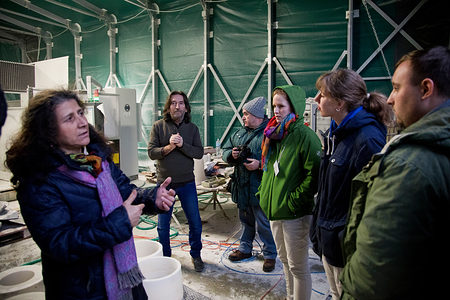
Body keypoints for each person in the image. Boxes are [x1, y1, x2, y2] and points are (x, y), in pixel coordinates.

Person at [5, 89, 176, 300]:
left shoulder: (98, 161)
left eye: (80, 113)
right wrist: (119, 223)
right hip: (84, 289)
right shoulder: (39, 181)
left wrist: (153, 198)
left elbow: (126, 192)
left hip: (124, 280)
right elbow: (60, 244)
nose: (82, 122)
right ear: (47, 131)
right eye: (69, 118)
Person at [340, 46, 450, 299]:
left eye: (397, 88)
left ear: (426, 89)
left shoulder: (408, 166)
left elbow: (373, 278)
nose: (389, 98)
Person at [309, 69, 392, 300]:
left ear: (339, 102)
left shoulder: (367, 139)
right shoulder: (337, 135)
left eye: (322, 95)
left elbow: (371, 204)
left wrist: (347, 241)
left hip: (345, 249)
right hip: (329, 242)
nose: (316, 100)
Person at [257, 85, 322, 300]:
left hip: (294, 213)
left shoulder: (305, 136)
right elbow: (268, 171)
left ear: (292, 106)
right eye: (274, 106)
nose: (276, 111)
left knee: (298, 266)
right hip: (275, 210)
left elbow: (313, 176)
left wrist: (294, 201)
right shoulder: (274, 134)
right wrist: (263, 194)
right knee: (284, 260)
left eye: (281, 106)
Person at [147, 90, 205, 272]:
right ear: (168, 106)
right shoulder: (158, 126)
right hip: (165, 184)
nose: (177, 106)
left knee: (195, 223)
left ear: (186, 108)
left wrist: (182, 145)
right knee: (163, 226)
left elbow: (199, 152)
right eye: (173, 103)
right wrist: (170, 146)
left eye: (180, 103)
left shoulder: (192, 128)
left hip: (187, 182)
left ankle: (196, 254)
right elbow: (151, 153)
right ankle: (166, 257)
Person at [222, 96, 277, 272]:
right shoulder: (239, 133)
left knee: (263, 223)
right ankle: (245, 249)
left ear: (257, 115)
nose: (243, 117)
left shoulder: (270, 134)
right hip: (242, 186)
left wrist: (260, 165)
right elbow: (224, 151)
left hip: (260, 187)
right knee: (245, 221)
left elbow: (279, 161)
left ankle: (270, 254)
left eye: (246, 114)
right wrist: (232, 155)